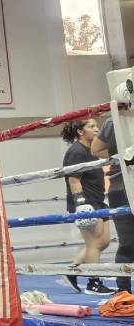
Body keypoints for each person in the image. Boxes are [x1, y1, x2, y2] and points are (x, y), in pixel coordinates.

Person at [61, 118, 114, 295]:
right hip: (87, 202)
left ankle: (72, 271)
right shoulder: (76, 151)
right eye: (91, 126)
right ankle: (94, 283)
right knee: (94, 243)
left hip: (98, 200)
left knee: (103, 242)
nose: (97, 129)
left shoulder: (92, 150)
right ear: (80, 132)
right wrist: (81, 205)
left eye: (96, 126)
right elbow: (73, 180)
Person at [92, 116, 133, 293]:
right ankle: (123, 291)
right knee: (128, 244)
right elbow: (96, 149)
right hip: (121, 187)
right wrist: (124, 156)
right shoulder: (115, 119)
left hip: (120, 187)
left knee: (127, 244)